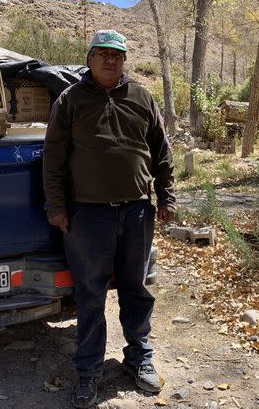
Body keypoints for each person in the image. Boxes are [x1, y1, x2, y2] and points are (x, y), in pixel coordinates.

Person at [43, 29, 175, 408]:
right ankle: (89, 372)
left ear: (124, 61)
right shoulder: (70, 100)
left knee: (136, 288)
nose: (110, 60)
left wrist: (166, 195)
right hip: (88, 217)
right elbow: (53, 160)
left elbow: (161, 152)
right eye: (102, 54)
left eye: (117, 55)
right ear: (90, 59)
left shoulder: (142, 98)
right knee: (90, 295)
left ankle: (139, 358)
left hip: (136, 211)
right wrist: (56, 207)